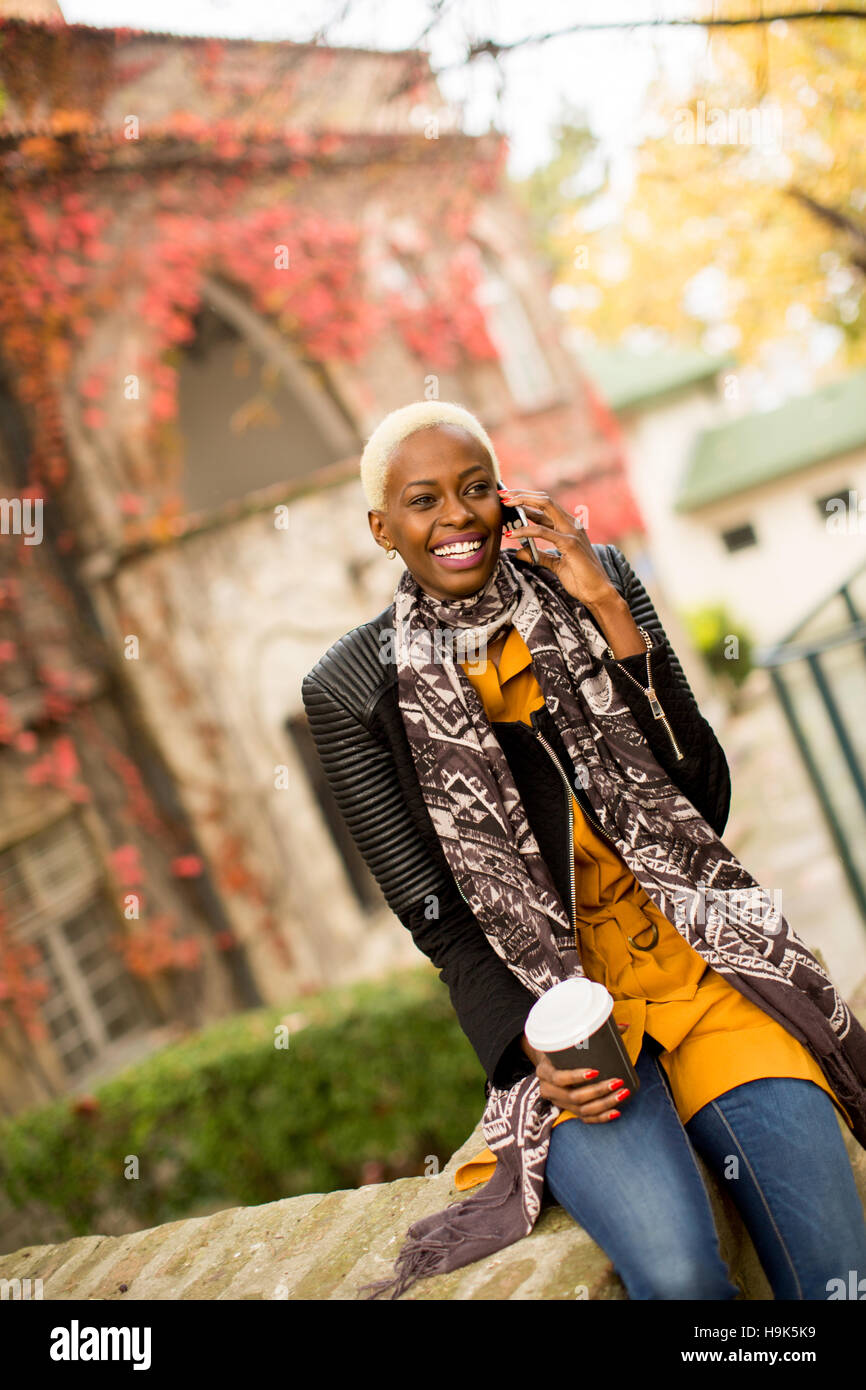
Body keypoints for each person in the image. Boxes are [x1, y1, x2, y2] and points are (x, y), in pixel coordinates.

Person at [300, 399, 866, 1301]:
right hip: (564, 1013)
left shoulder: (593, 583)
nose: (456, 517)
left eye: (476, 488)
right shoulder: (350, 688)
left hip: (702, 964)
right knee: (681, 1280)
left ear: (506, 497)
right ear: (382, 527)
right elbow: (439, 924)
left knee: (840, 1278)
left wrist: (605, 605)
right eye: (423, 500)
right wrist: (531, 1051)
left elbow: (703, 802)